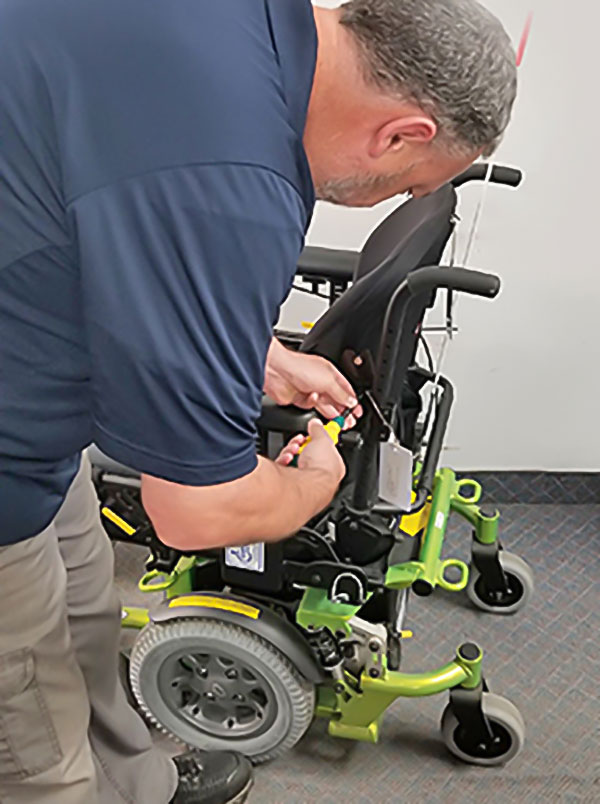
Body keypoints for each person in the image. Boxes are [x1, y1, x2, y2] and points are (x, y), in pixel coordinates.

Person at [0, 0, 517, 802]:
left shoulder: (250, 29)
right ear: (402, 134)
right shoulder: (236, 186)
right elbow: (197, 515)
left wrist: (258, 355)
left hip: (32, 388)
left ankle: (132, 782)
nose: (387, 201)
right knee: (27, 734)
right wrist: (307, 485)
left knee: (81, 611)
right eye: (407, 187)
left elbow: (120, 210)